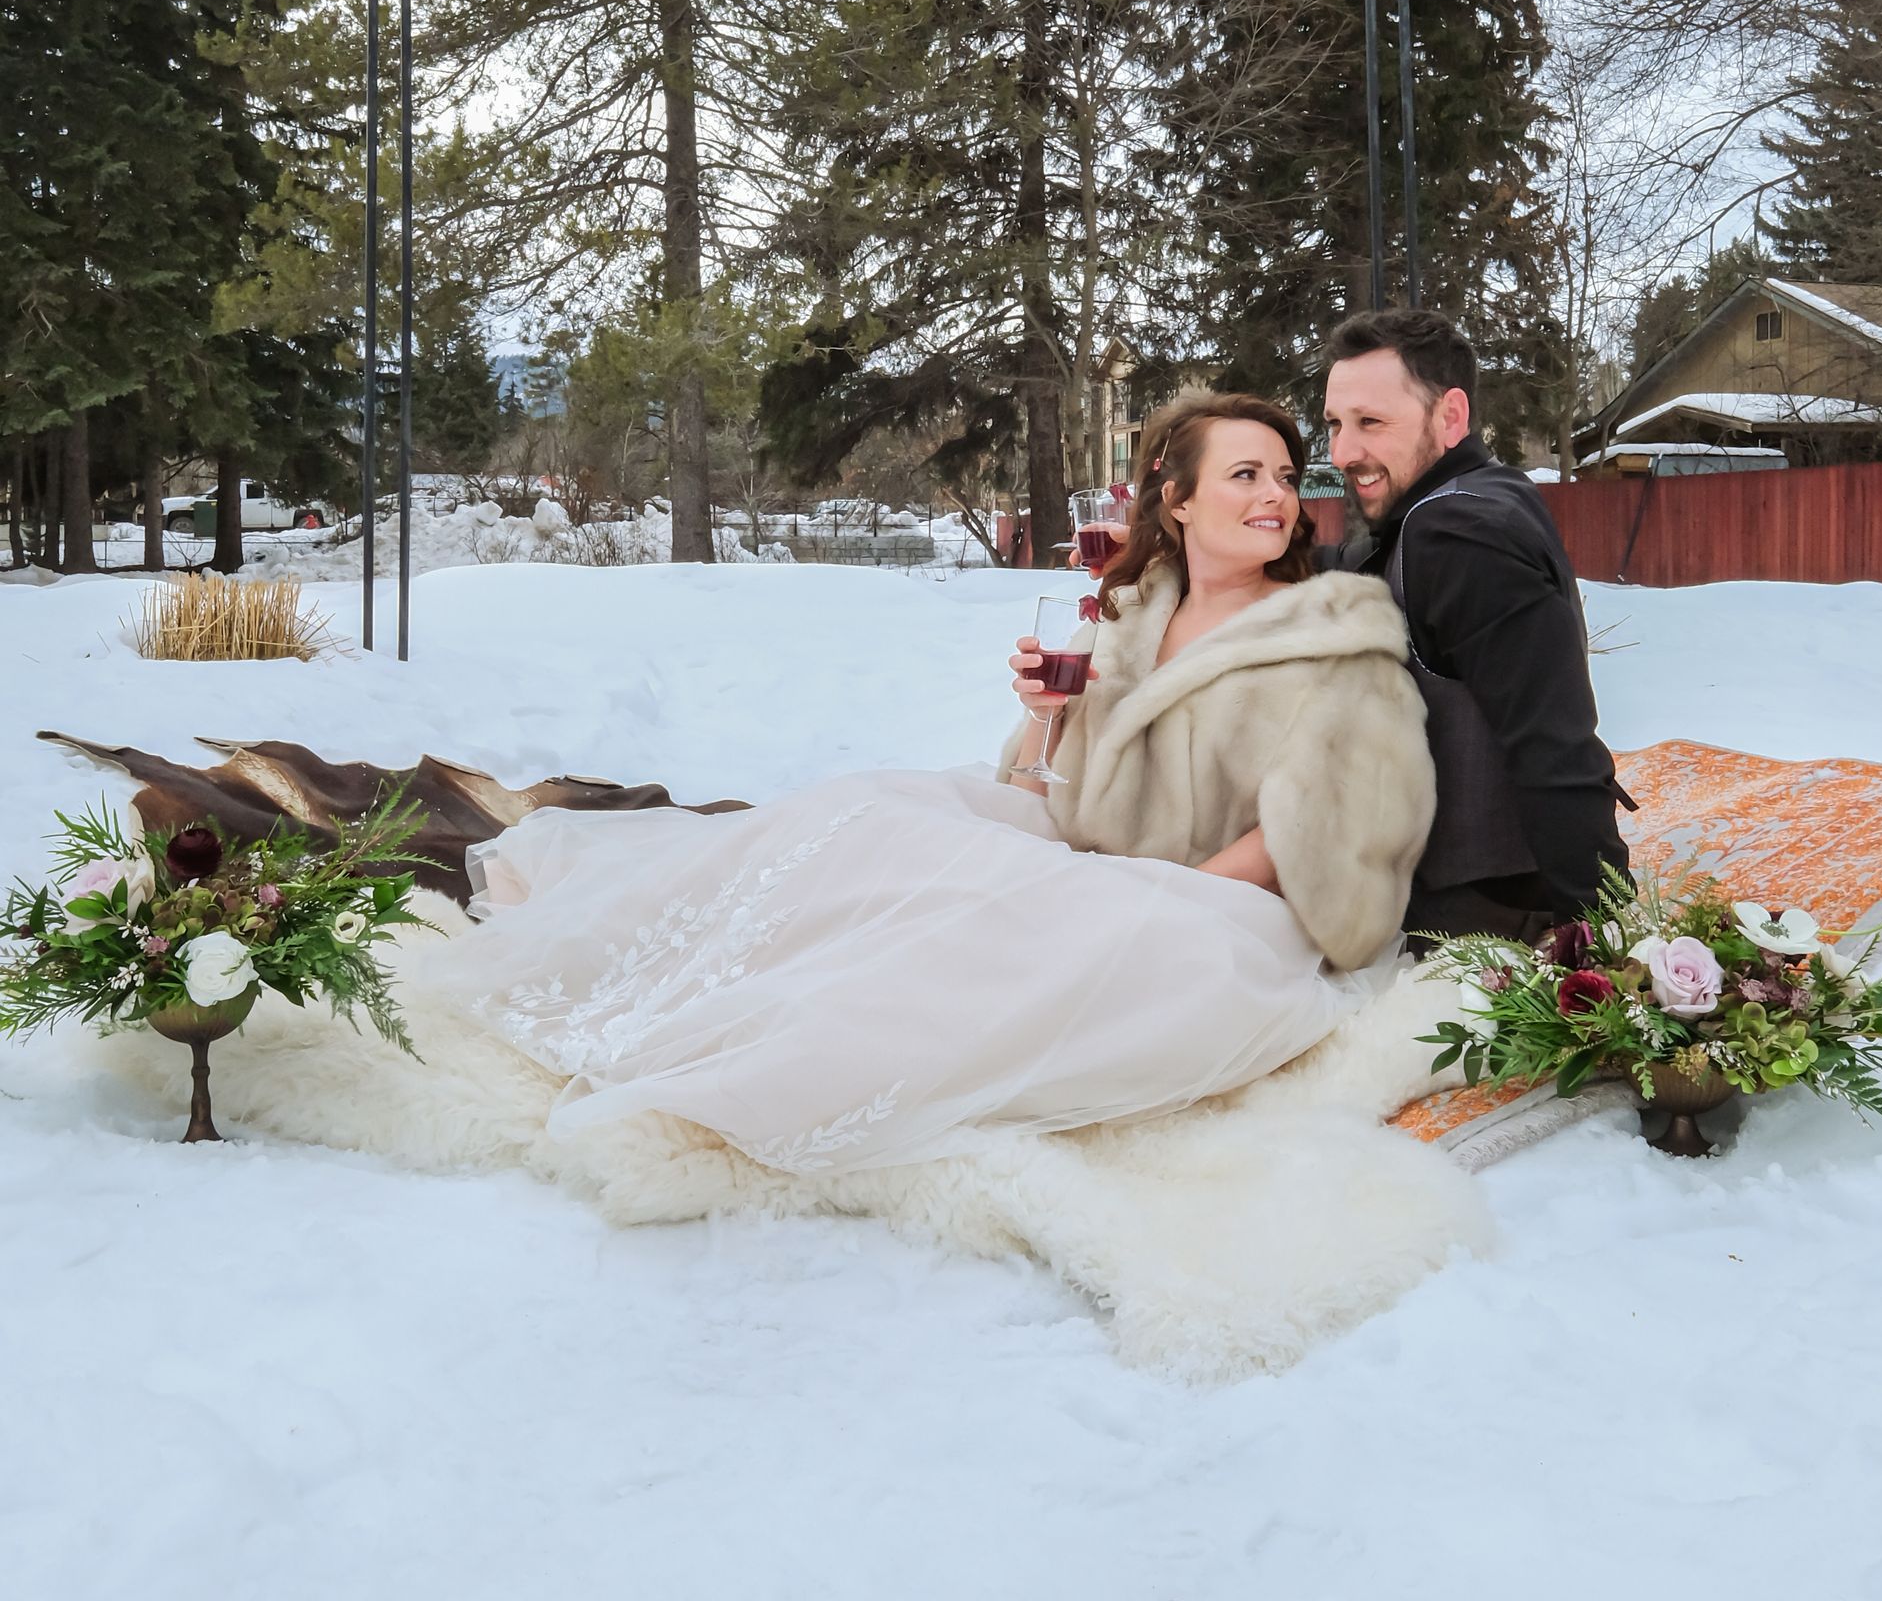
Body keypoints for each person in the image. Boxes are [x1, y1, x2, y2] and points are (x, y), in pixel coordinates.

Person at [422, 392, 1433, 1178]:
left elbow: (1317, 823)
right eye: (1245, 473)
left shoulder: (1326, 633)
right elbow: (1040, 783)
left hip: (1229, 901)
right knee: (870, 816)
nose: (1275, 495)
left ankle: (792, 1075)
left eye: (1285, 476)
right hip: (1094, 848)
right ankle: (692, 998)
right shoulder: (1128, 616)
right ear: (1178, 500)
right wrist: (1044, 709)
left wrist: (1176, 889)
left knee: (1019, 930)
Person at [1321, 308, 1629, 943]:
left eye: (1371, 423)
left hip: (1476, 931)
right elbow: (1346, 567)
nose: (1344, 453)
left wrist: (1608, 948)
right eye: (1335, 425)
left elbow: (1556, 749)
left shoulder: (1459, 534)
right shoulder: (1459, 503)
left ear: (1451, 417)